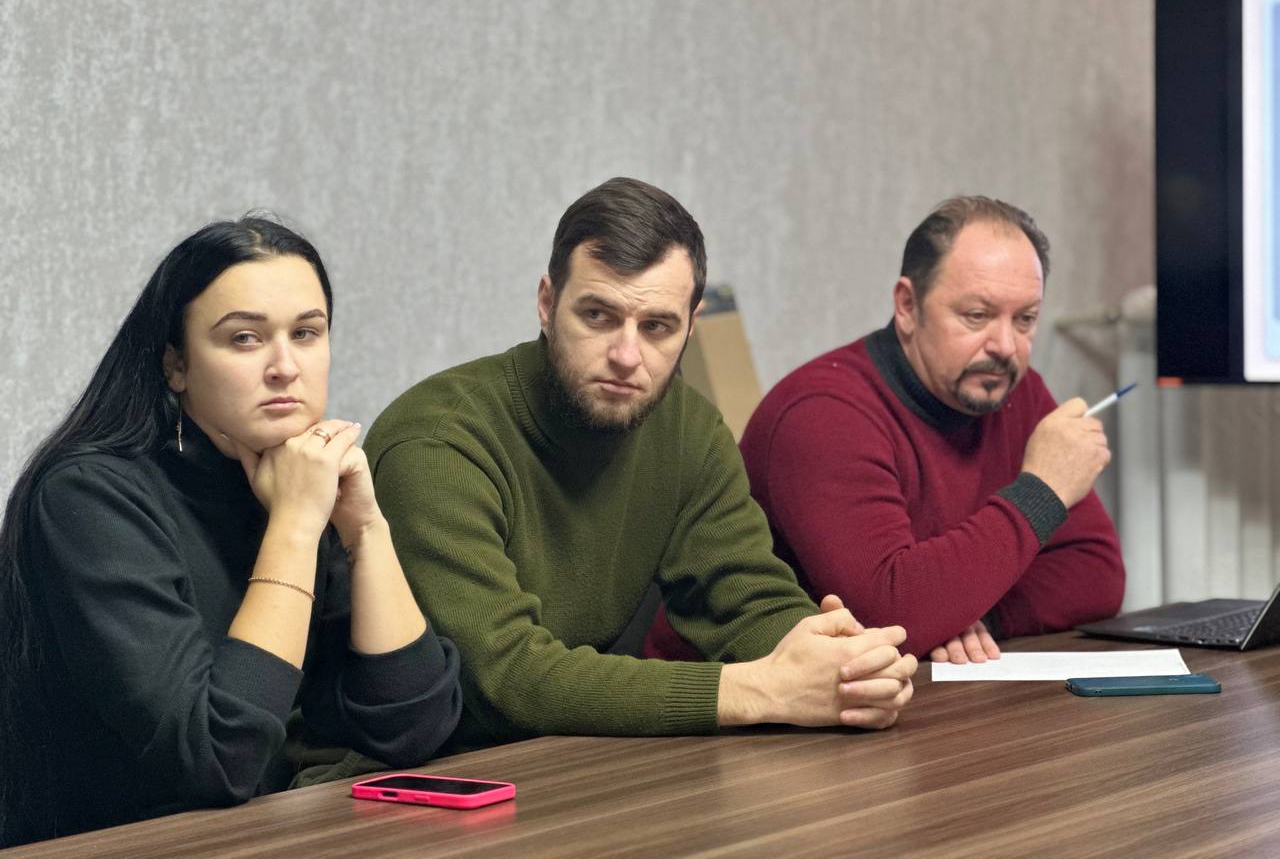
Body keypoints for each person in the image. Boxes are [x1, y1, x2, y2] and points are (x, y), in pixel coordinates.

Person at [364, 177, 916, 754]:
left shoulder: (689, 430)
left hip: (567, 757)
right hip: (400, 776)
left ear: (690, 326)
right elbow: (508, 675)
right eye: (598, 316)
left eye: (656, 326)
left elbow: (746, 600)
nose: (627, 356)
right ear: (547, 303)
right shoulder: (437, 442)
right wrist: (757, 692)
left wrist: (845, 667)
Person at [0, 213, 462, 847]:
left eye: (306, 333)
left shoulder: (289, 477)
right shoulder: (87, 498)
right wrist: (295, 526)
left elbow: (414, 727)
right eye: (245, 338)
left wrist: (365, 528)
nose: (285, 367)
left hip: (253, 840)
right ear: (176, 364)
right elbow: (220, 758)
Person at [722, 196, 1124, 662]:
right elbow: (888, 615)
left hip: (904, 684)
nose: (1005, 346)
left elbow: (1097, 574)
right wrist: (1042, 490)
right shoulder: (822, 413)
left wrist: (972, 617)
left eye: (1025, 319)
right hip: (738, 693)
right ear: (908, 306)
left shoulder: (1018, 391)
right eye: (977, 316)